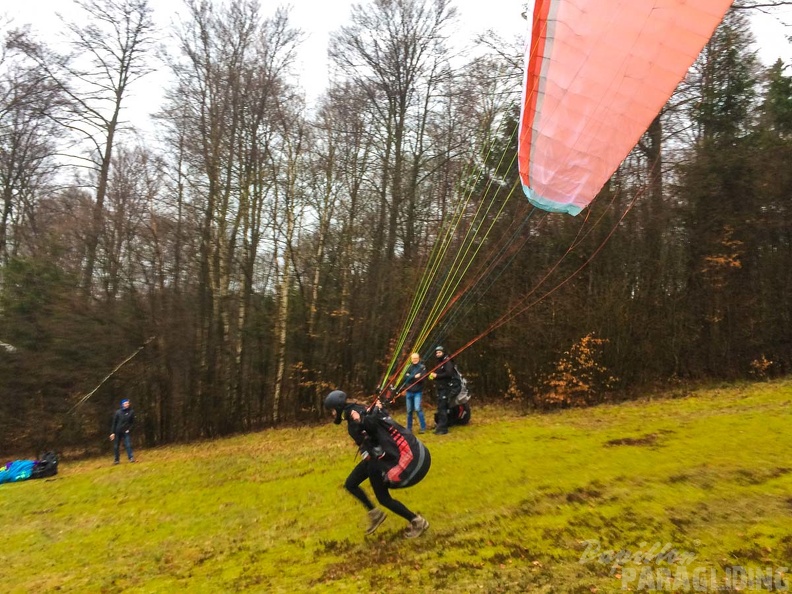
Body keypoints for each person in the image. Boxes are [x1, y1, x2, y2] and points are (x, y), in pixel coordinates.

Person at [324, 390, 431, 538]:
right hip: (371, 458)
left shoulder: (356, 416)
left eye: (332, 411)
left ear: (338, 407)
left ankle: (417, 521)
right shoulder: (357, 410)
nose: (332, 414)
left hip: (376, 460)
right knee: (350, 484)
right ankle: (375, 514)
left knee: (383, 498)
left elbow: (372, 430)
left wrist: (361, 422)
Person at [429, 345, 457, 435]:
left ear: (443, 352)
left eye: (439, 352)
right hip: (440, 388)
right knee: (440, 408)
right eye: (437, 353)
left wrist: (437, 376)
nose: (438, 354)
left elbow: (449, 373)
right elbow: (440, 373)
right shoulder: (439, 362)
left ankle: (443, 428)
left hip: (446, 388)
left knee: (442, 407)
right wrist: (434, 376)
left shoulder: (447, 361)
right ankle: (441, 425)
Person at [402, 352, 427, 433]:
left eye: (416, 358)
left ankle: (423, 427)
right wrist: (414, 376)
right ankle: (409, 428)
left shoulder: (422, 367)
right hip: (409, 391)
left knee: (417, 409)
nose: (415, 360)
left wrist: (410, 377)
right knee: (409, 411)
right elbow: (404, 378)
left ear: (419, 358)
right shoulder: (408, 367)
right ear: (411, 359)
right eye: (413, 358)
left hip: (417, 392)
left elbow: (422, 379)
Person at [109, 398, 135, 464]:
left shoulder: (131, 412)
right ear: (122, 404)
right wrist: (112, 433)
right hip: (117, 431)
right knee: (116, 446)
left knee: (128, 445)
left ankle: (131, 458)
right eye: (125, 403)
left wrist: (129, 429)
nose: (127, 405)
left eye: (127, 403)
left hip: (126, 431)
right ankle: (116, 460)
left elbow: (132, 423)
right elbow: (114, 423)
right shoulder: (118, 412)